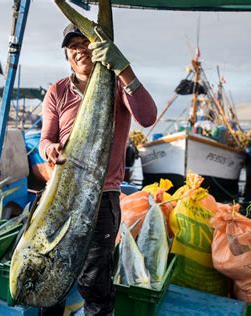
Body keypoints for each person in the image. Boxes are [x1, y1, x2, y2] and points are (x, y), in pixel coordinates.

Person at [39, 24, 157, 316]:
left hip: (102, 197)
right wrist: (49, 149)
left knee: (94, 281)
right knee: (51, 270)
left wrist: (123, 67)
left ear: (97, 48)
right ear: (67, 54)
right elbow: (45, 138)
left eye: (85, 42)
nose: (80, 49)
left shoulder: (116, 84)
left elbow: (148, 116)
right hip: (61, 196)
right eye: (73, 45)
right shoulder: (57, 90)